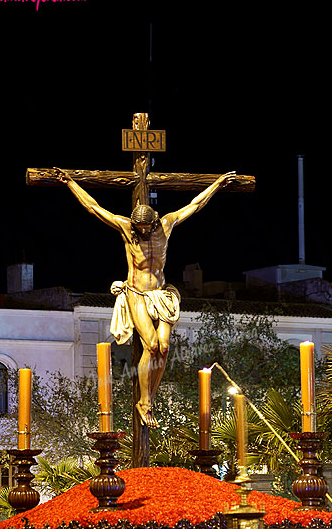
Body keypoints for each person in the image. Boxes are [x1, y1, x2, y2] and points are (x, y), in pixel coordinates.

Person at [55, 168, 236, 429]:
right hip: (137, 293)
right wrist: (71, 183)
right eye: (138, 227)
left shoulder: (167, 225)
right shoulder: (126, 228)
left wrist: (217, 183)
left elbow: (195, 205)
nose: (141, 232)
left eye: (145, 228)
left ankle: (150, 394)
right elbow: (94, 208)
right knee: (150, 345)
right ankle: (144, 401)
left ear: (154, 222)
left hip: (161, 293)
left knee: (163, 348)